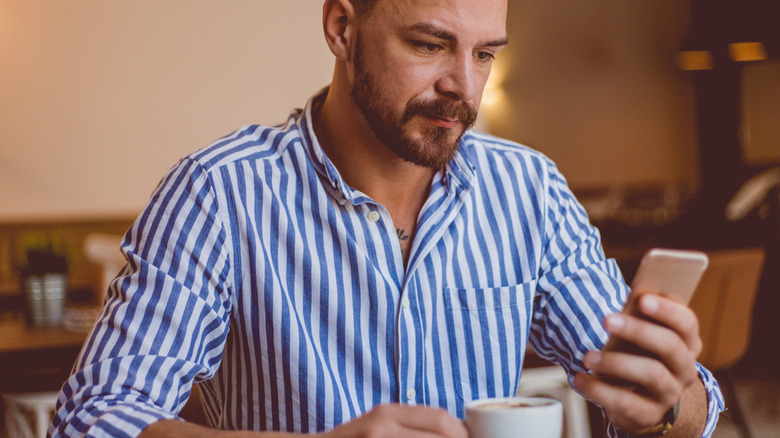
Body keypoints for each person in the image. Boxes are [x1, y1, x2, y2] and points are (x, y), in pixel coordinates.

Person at [51, 0, 724, 437]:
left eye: (485, 53)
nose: (464, 86)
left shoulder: (529, 190)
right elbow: (93, 421)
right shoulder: (219, 193)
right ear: (343, 29)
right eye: (430, 45)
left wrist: (667, 404)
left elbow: (690, 404)